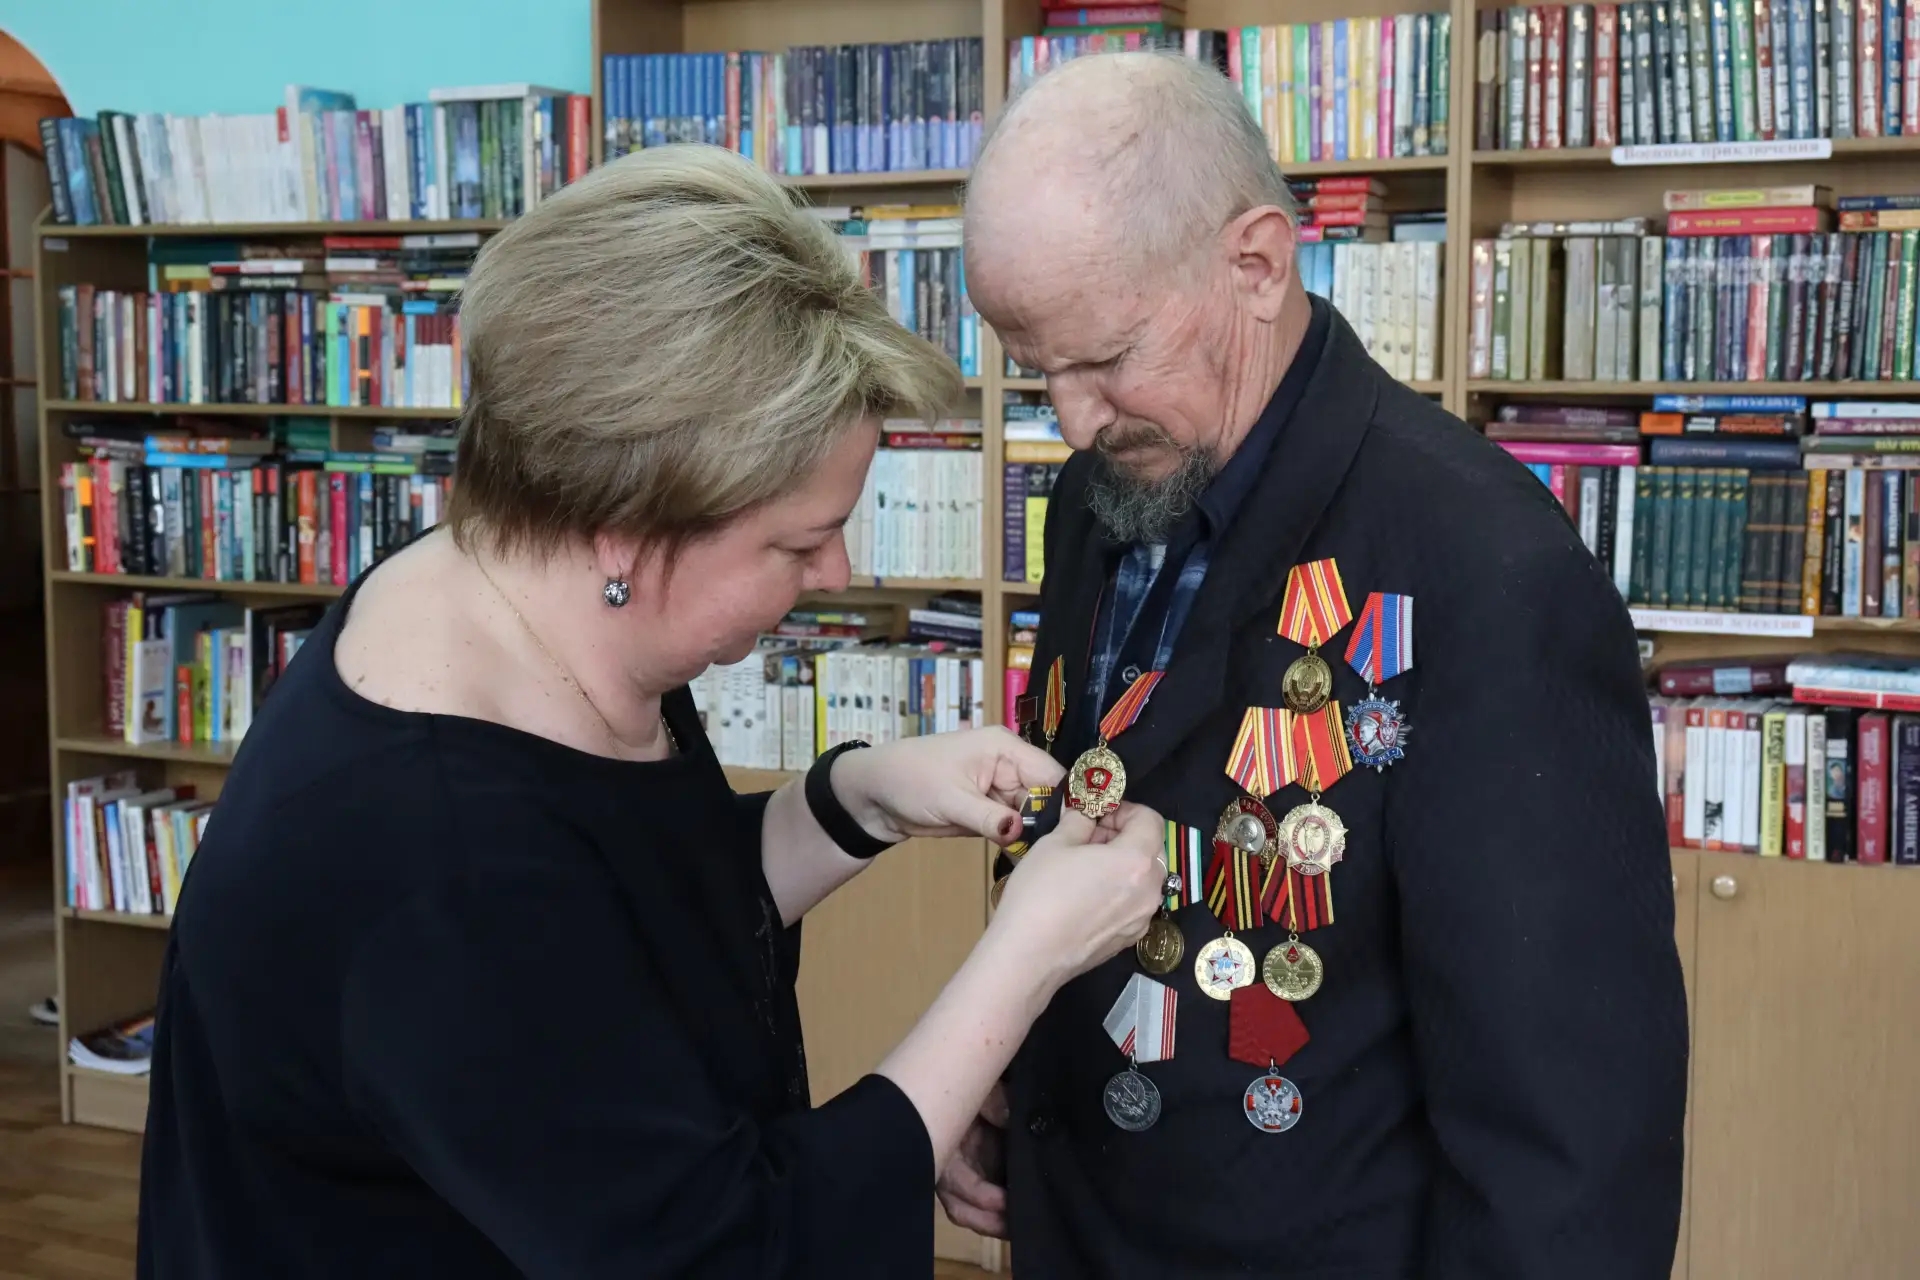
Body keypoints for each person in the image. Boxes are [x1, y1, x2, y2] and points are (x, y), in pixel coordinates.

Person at [133, 144, 1169, 1279]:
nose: (834, 572)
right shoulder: (437, 860)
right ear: (626, 531)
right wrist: (1021, 959)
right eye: (797, 542)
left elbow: (641, 907)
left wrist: (859, 798)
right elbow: (730, 1251)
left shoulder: (536, 602)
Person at [942, 51, 1691, 1277]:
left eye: (1106, 356)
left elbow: (1569, 1144)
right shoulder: (1103, 487)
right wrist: (1030, 1072)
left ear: (1256, 264)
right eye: (1036, 365)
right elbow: (1110, 809)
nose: (1071, 420)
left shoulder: (1484, 569)